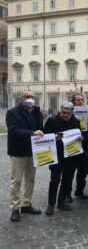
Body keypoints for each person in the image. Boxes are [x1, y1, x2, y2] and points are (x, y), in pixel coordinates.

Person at [6, 90, 43, 222]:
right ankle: (15, 208)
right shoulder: (12, 112)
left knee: (30, 179)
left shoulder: (37, 112)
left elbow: (41, 130)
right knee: (16, 181)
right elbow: (13, 130)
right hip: (18, 151)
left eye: (32, 96)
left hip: (33, 151)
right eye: (27, 96)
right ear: (21, 98)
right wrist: (32, 133)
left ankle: (26, 204)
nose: (30, 98)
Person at [44, 102, 83, 215]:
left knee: (67, 179)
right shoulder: (52, 121)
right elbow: (44, 135)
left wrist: (81, 137)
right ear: (60, 110)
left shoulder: (76, 122)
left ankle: (61, 201)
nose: (65, 115)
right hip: (56, 155)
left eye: (68, 113)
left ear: (72, 112)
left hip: (71, 156)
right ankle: (51, 204)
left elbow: (78, 135)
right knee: (55, 179)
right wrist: (54, 138)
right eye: (63, 112)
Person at [71, 93, 88, 201]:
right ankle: (67, 194)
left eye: (82, 100)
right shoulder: (69, 113)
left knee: (82, 171)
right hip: (72, 145)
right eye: (77, 100)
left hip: (84, 145)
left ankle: (79, 191)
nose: (80, 101)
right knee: (70, 171)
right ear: (73, 102)